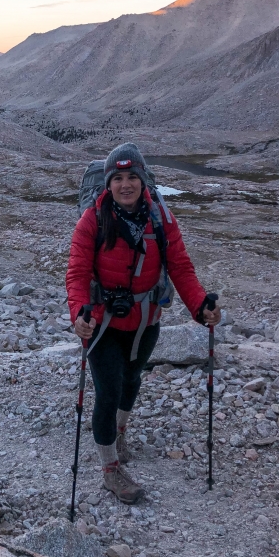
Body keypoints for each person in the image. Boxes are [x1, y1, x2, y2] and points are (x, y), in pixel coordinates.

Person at [66, 143, 221, 504]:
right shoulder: (93, 219)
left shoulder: (160, 218)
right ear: (108, 183)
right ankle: (111, 470)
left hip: (145, 321)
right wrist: (79, 315)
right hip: (102, 323)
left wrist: (200, 307)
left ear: (143, 180)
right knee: (107, 391)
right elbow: (76, 273)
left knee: (132, 379)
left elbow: (180, 267)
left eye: (132, 177)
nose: (125, 185)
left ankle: (119, 431)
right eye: (117, 178)